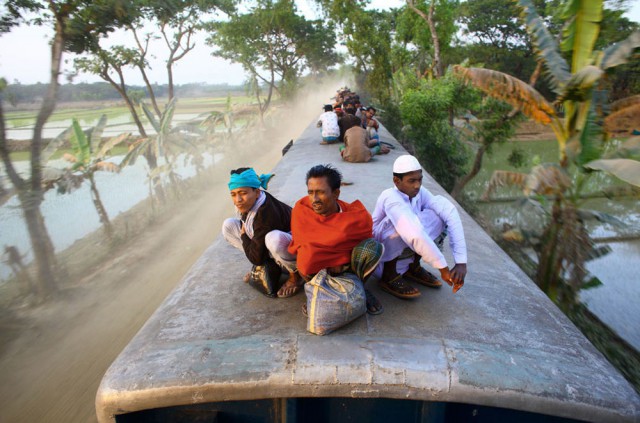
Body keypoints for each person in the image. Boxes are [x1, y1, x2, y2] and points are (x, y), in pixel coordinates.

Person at [287, 164, 384, 315]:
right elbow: (300, 244)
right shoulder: (301, 209)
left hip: (347, 268)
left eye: (320, 192)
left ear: (336, 193)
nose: (315, 199)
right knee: (305, 257)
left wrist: (338, 262)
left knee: (373, 248)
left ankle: (360, 288)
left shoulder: (356, 216)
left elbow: (362, 242)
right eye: (311, 193)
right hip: (315, 269)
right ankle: (314, 290)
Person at [372, 155, 467, 299]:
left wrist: (461, 263)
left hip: (403, 256)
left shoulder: (418, 193)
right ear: (396, 181)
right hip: (380, 257)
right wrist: (443, 268)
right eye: (411, 181)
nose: (417, 185)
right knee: (401, 225)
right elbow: (414, 233)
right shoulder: (390, 198)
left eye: (419, 180)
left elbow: (449, 211)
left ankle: (412, 266)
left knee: (438, 215)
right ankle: (389, 276)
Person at [222, 167, 303, 298]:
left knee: (274, 239)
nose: (238, 200)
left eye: (243, 193)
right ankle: (271, 265)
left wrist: (244, 235)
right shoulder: (247, 202)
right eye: (233, 194)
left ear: (257, 192)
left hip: (296, 247)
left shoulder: (265, 214)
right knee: (228, 226)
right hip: (263, 239)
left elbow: (256, 259)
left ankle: (295, 273)